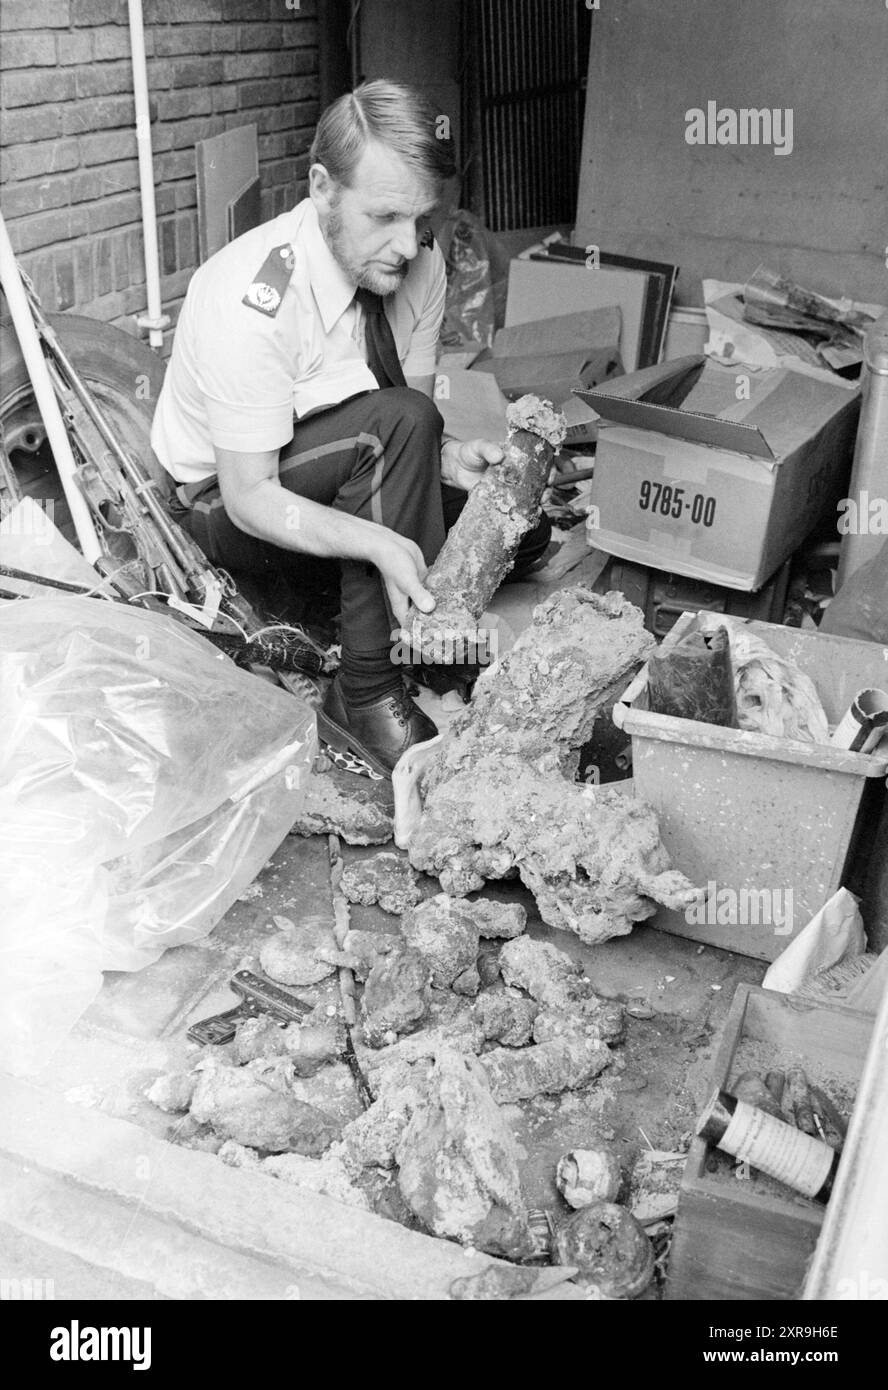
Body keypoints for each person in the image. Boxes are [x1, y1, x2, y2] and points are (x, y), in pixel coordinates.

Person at [151, 79, 550, 777]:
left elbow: (418, 426)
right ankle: (363, 692)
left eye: (420, 217)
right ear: (322, 189)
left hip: (345, 469)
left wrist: (454, 464)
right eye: (385, 215)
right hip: (229, 504)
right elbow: (251, 493)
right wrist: (377, 539)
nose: (407, 245)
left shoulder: (418, 265)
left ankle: (359, 610)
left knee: (521, 528)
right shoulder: (255, 297)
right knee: (391, 438)